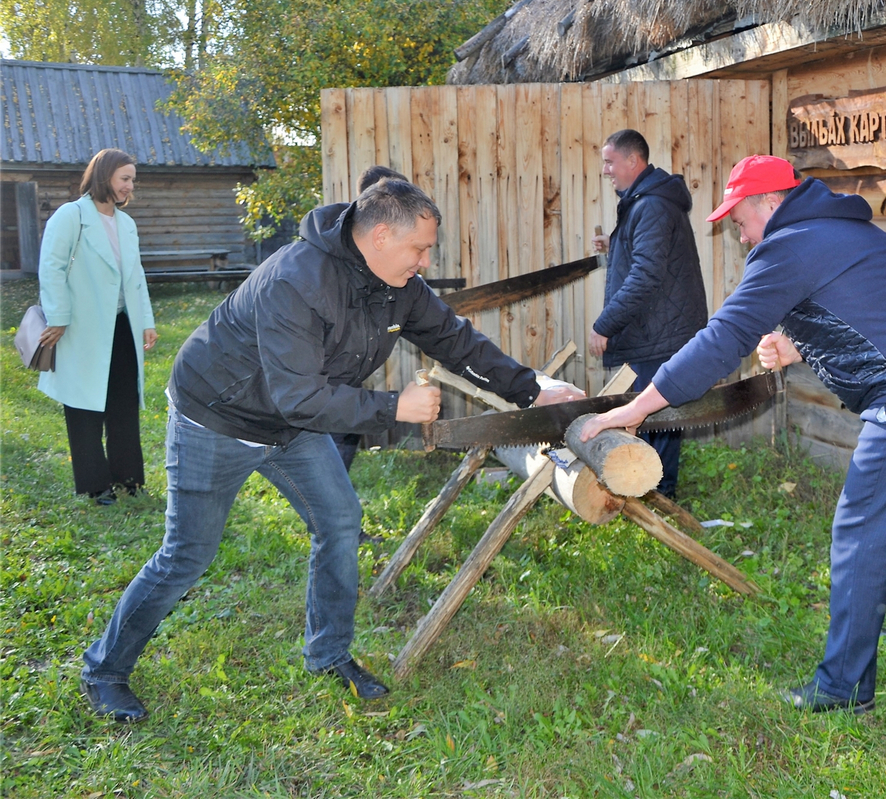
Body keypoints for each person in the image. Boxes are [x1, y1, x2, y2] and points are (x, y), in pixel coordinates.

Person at [79, 178, 584, 722]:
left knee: (340, 522)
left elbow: (454, 340)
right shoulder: (296, 282)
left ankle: (327, 653)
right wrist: (395, 409)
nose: (424, 260)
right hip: (218, 418)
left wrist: (533, 390)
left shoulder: (398, 282)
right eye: (419, 248)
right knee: (186, 556)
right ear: (382, 235)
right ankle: (104, 671)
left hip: (292, 422)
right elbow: (298, 398)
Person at [582, 155, 886, 714]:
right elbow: (871, 309)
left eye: (740, 218)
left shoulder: (790, 244)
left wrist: (637, 408)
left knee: (862, 529)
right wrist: (800, 344)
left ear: (771, 202)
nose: (737, 231)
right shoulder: (833, 228)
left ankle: (842, 689)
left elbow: (722, 339)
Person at [588, 129, 707, 498]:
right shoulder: (645, 202)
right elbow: (653, 257)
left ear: (632, 161)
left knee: (654, 415)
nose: (606, 170)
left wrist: (605, 324)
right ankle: (652, 490)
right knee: (652, 413)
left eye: (610, 161)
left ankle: (658, 493)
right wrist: (617, 244)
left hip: (662, 333)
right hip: (659, 329)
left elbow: (646, 276)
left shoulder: (651, 205)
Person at [37, 148, 158, 505]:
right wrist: (58, 316)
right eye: (125, 179)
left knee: (124, 405)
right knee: (84, 408)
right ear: (105, 176)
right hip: (80, 327)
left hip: (122, 326)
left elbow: (136, 277)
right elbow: (52, 267)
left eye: (132, 180)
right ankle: (95, 486)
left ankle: (129, 480)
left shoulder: (127, 224)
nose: (129, 187)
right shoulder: (71, 216)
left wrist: (146, 321)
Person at [308, 165, 412, 476]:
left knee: (345, 434)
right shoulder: (330, 260)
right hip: (314, 381)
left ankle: (337, 513)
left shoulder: (386, 260)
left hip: (344, 381)